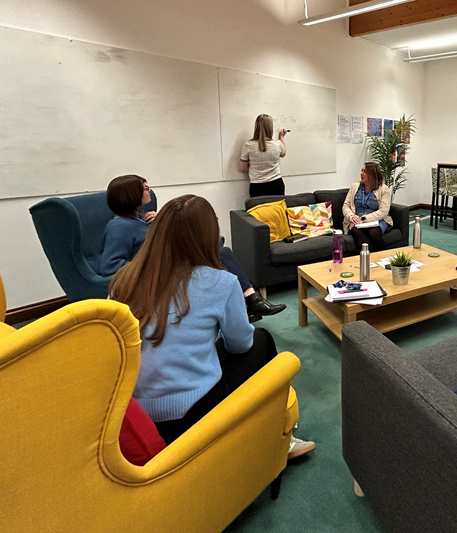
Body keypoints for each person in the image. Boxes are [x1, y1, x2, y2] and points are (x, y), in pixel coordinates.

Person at [109, 194, 315, 458]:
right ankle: (279, 437)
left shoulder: (122, 280)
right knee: (263, 340)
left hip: (135, 412)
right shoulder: (222, 282)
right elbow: (241, 345)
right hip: (192, 414)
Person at [101, 174, 285, 319]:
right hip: (158, 273)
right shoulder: (120, 227)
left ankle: (247, 301)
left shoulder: (139, 219)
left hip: (167, 264)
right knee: (221, 254)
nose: (149, 188)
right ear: (130, 195)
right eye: (143, 187)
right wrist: (150, 264)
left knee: (221, 253)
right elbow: (110, 266)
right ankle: (249, 301)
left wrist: (159, 222)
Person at [342, 163, 393, 253]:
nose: (361, 173)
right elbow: (346, 205)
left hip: (377, 220)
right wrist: (351, 217)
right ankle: (369, 262)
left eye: (365, 171)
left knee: (374, 232)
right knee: (361, 237)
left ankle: (385, 258)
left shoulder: (384, 189)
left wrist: (364, 219)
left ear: (373, 175)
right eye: (362, 170)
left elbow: (384, 211)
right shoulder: (355, 187)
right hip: (356, 220)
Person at [239, 114, 288, 198]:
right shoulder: (277, 144)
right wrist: (281, 137)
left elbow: (242, 168)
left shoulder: (248, 145)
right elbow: (283, 153)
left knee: (259, 211)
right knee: (277, 210)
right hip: (276, 184)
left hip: (257, 186)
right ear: (270, 128)